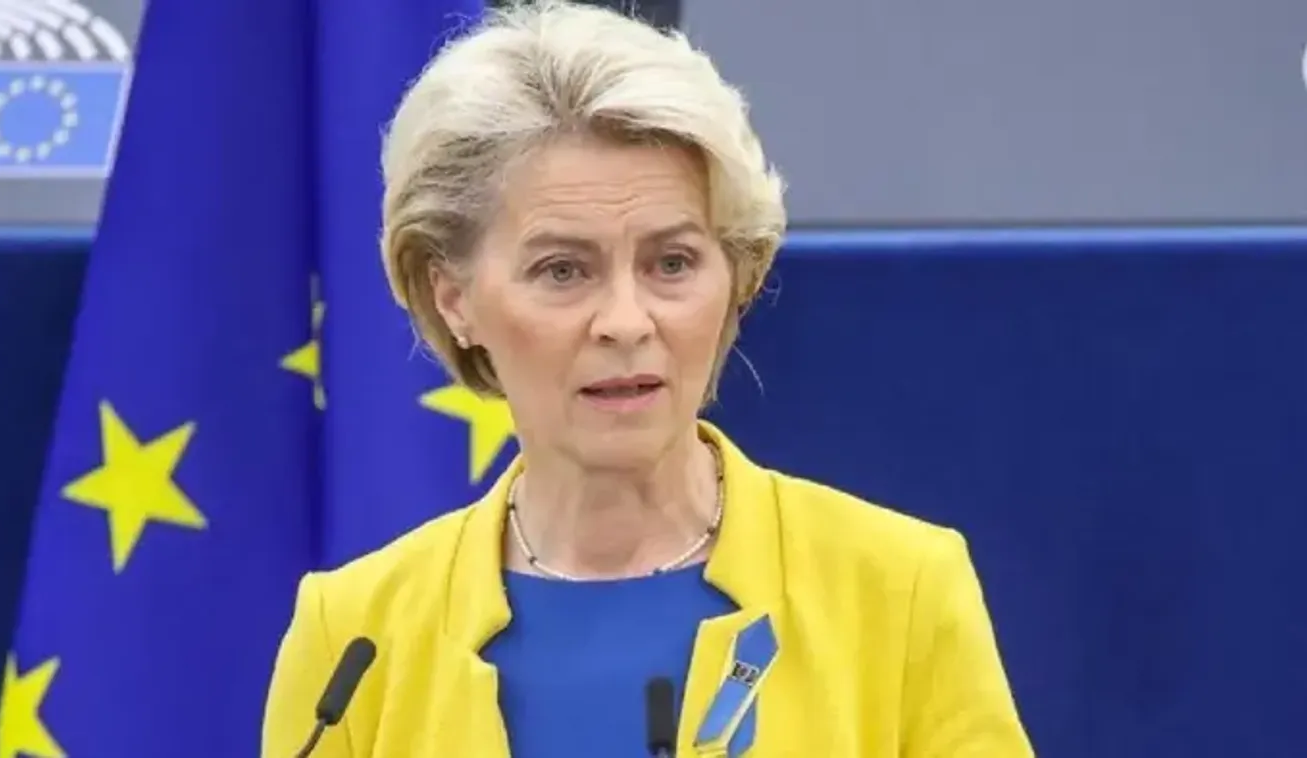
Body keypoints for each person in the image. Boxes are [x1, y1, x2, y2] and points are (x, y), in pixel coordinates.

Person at [261, 1, 1033, 755]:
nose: (626, 322)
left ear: (736, 275)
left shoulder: (897, 593)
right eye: (562, 270)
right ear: (453, 298)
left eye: (671, 263)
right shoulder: (353, 639)